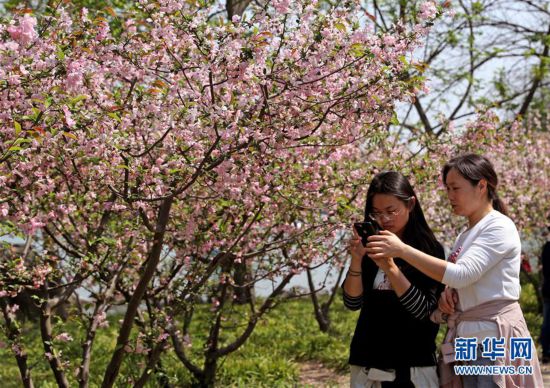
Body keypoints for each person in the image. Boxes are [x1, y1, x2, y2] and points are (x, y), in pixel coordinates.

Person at [366, 153, 543, 388]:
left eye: (455, 188)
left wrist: (402, 250)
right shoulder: (465, 234)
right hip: (467, 339)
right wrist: (447, 294)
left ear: (481, 186)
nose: (450, 196)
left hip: (493, 338)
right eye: (447, 188)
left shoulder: (499, 226)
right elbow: (460, 279)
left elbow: (462, 274)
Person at [343, 171, 445, 387]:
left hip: (412, 364)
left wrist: (390, 267)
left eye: (391, 211)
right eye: (377, 213)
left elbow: (424, 310)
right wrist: (356, 259)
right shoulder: (371, 246)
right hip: (367, 361)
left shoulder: (429, 251)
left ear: (411, 204)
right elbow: (352, 303)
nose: (384, 219)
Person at [540, 226, 550, 363]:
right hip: (549, 290)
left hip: (548, 289)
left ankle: (546, 351)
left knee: (547, 321)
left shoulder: (547, 248)